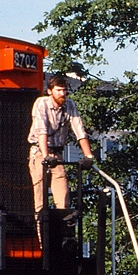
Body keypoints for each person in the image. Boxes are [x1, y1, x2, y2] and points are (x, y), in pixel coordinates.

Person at [28, 74, 94, 219]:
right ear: (50, 91)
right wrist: (45, 156)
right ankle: (40, 238)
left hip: (57, 155)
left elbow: (79, 131)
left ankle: (63, 236)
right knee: (40, 201)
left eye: (64, 90)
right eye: (58, 90)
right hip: (39, 153)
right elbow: (41, 131)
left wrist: (88, 156)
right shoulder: (41, 103)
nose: (62, 94)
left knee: (63, 198)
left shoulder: (69, 105)